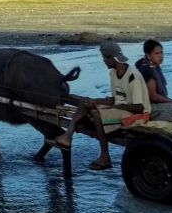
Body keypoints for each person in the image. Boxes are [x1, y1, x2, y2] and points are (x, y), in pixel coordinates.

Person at [50, 40, 150, 170]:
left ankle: (105, 157)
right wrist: (97, 101)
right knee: (86, 103)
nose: (103, 61)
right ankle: (67, 136)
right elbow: (116, 98)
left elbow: (139, 107)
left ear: (111, 58)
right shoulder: (113, 73)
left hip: (136, 114)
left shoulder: (133, 76)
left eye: (104, 58)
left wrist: (112, 108)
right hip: (120, 109)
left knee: (96, 114)